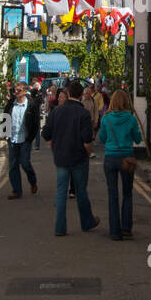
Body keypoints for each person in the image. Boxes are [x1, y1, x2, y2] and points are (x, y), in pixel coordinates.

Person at [41, 78, 100, 237]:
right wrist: (89, 152)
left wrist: (52, 143)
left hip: (60, 157)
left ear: (67, 94)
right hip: (79, 158)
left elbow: (45, 133)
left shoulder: (57, 111)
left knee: (61, 192)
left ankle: (60, 228)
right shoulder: (83, 113)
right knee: (81, 191)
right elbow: (87, 140)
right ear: (81, 95)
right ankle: (87, 222)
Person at [99, 90, 143, 241]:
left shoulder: (106, 119)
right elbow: (137, 139)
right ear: (126, 102)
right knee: (127, 193)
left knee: (112, 194)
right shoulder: (130, 118)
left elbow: (102, 138)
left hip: (110, 157)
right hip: (127, 158)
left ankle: (115, 232)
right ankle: (126, 228)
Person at [2, 81, 39, 200]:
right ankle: (16, 191)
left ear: (24, 91)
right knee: (13, 166)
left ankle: (32, 181)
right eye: (14, 90)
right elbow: (4, 118)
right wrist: (4, 134)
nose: (15, 92)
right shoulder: (10, 104)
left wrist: (30, 139)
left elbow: (35, 124)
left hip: (25, 139)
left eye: (17, 90)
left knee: (25, 163)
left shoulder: (31, 105)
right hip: (12, 139)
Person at [29, 83, 43, 151]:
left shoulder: (31, 100)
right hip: (37, 115)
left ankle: (31, 144)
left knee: (31, 130)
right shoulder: (39, 98)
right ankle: (37, 145)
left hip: (33, 116)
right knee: (37, 131)